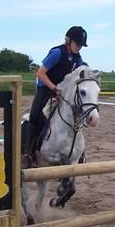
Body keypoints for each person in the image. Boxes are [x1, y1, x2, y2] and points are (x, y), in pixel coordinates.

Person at [22, 26, 88, 168]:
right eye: (77, 44)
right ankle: (28, 153)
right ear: (68, 41)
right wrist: (54, 89)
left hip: (61, 91)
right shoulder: (57, 53)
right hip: (46, 88)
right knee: (35, 115)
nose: (79, 48)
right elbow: (40, 73)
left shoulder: (78, 59)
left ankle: (79, 151)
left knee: (76, 114)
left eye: (81, 45)